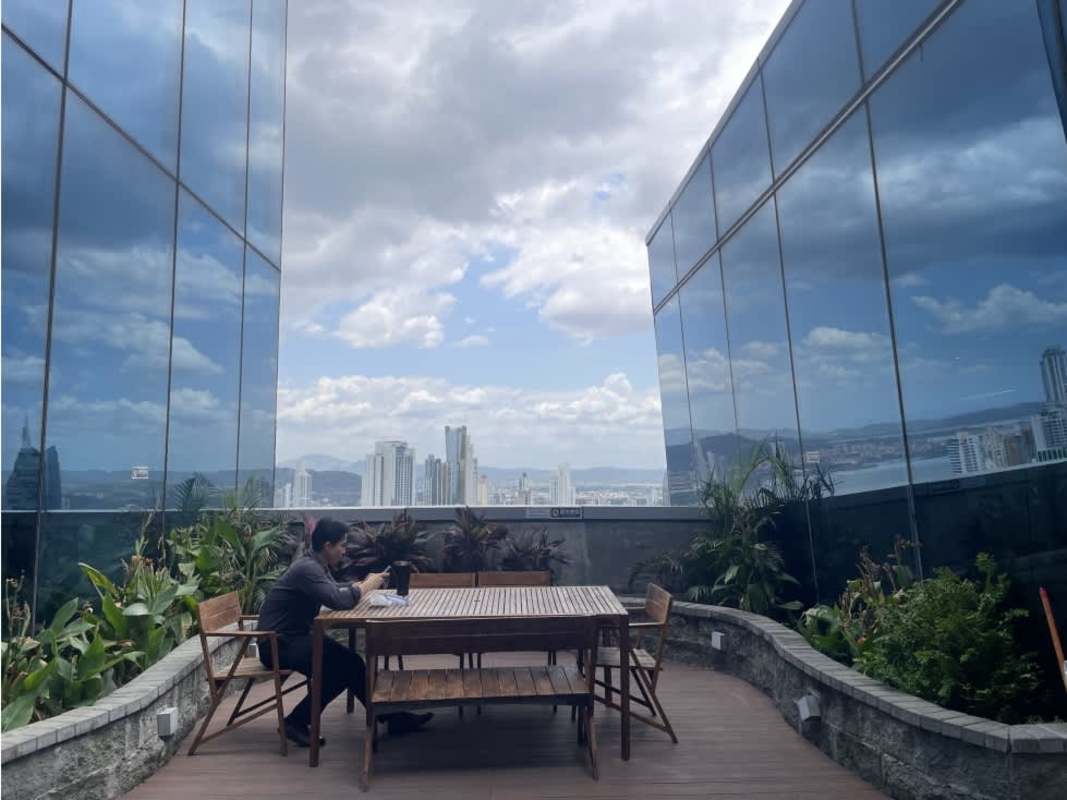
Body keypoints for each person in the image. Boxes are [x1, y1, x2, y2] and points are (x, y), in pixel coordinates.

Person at [257, 517, 432, 747]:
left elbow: (335, 591)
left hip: (295, 637)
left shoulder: (316, 565)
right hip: (277, 644)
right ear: (327, 546)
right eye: (341, 545)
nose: (344, 550)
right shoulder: (307, 568)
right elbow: (339, 600)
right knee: (343, 669)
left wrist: (362, 584)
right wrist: (367, 586)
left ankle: (391, 717)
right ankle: (296, 722)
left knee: (351, 663)